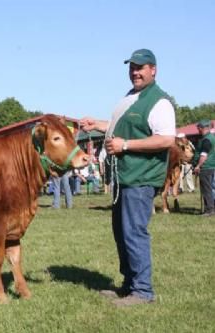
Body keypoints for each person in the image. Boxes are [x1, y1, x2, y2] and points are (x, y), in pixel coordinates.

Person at [80, 49, 176, 306]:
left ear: (153, 69)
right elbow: (119, 129)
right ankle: (129, 285)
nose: (135, 72)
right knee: (122, 232)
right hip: (124, 179)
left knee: (134, 232)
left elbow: (166, 139)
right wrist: (98, 124)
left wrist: (125, 146)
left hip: (140, 178)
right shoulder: (131, 97)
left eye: (141, 67)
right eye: (132, 67)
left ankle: (143, 291)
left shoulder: (159, 101)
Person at [193, 119, 214, 216]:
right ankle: (211, 208)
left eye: (198, 127)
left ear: (202, 128)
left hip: (206, 167)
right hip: (212, 166)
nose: (197, 129)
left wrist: (198, 166)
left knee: (206, 189)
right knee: (211, 188)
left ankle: (209, 210)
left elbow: (203, 155)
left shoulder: (206, 139)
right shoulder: (212, 137)